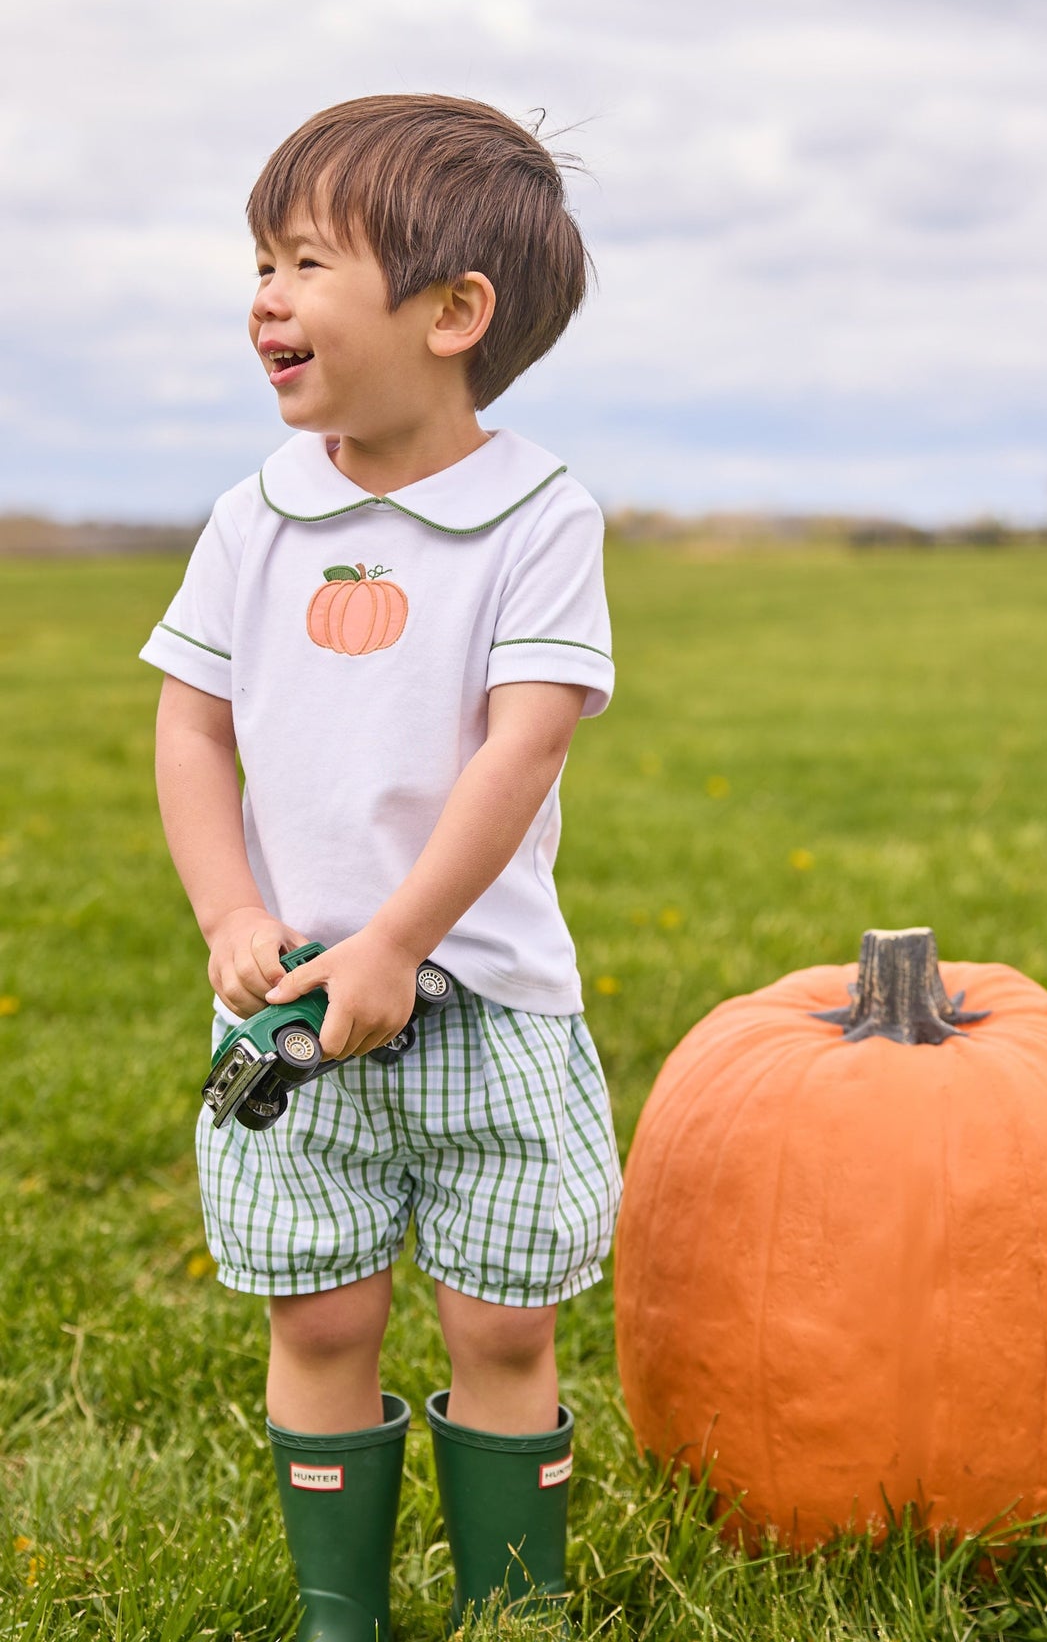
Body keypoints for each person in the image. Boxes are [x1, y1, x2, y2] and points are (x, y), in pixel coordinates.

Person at [141, 94, 621, 1640]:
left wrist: (402, 939)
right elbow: (191, 727)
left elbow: (520, 749)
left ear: (451, 313)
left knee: (504, 1324)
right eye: (259, 264)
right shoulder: (253, 519)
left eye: (305, 262)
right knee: (322, 1314)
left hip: (484, 1005)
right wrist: (231, 910)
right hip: (294, 1003)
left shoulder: (536, 517)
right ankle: (338, 1617)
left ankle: (510, 1610)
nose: (264, 298)